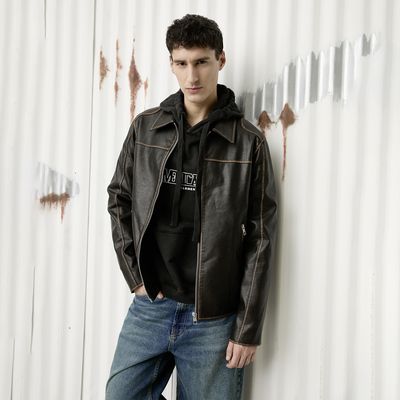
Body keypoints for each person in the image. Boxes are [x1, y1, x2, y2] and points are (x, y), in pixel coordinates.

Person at [105, 14, 277, 400]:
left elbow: (261, 238)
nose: (192, 76)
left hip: (212, 318)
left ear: (221, 60)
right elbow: (119, 198)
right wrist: (136, 277)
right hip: (151, 306)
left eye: (202, 62)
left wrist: (247, 328)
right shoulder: (146, 128)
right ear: (171, 64)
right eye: (181, 63)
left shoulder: (247, 142)